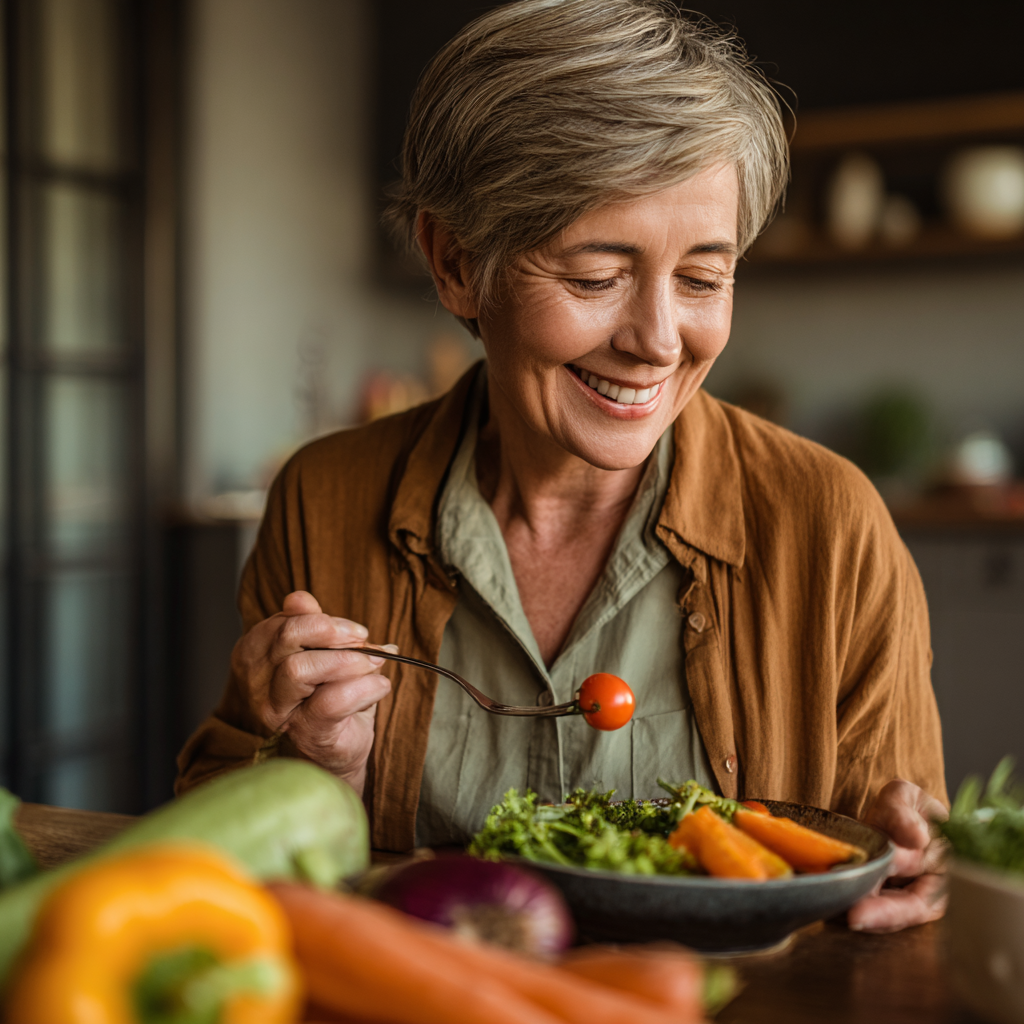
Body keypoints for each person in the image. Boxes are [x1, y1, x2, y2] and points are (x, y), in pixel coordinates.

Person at [176, 0, 948, 933]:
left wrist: (916, 861)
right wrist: (320, 768)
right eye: (595, 277)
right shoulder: (326, 498)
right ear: (456, 262)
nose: (659, 340)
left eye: (704, 278)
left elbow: (897, 869)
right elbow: (206, 861)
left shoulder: (831, 524)